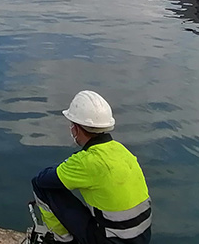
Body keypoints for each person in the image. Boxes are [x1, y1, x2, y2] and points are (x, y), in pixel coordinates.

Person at [30, 91, 151, 244]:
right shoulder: (122, 151)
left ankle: (62, 241)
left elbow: (43, 179)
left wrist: (68, 165)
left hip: (110, 241)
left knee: (41, 186)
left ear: (76, 128)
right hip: (142, 238)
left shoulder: (87, 161)